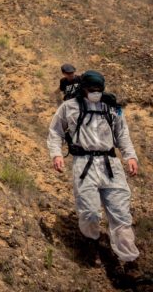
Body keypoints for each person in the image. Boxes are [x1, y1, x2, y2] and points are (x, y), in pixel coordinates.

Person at [47, 71, 140, 268]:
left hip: (110, 165)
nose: (95, 93)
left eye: (99, 90)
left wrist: (130, 156)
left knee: (121, 213)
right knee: (89, 211)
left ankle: (130, 260)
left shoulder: (112, 108)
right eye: (92, 90)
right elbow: (55, 132)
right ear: (83, 89)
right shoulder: (69, 107)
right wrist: (56, 154)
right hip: (84, 164)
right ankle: (92, 243)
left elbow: (122, 134)